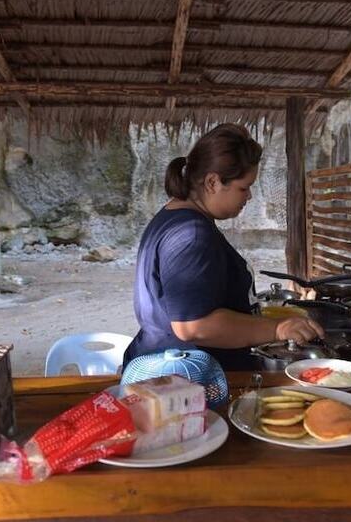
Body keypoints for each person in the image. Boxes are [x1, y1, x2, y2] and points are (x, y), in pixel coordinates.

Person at [123, 123, 324, 371]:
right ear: (212, 182)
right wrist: (278, 328)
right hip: (184, 380)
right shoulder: (191, 235)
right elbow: (193, 326)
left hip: (168, 367)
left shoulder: (173, 216)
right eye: (244, 187)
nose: (248, 196)